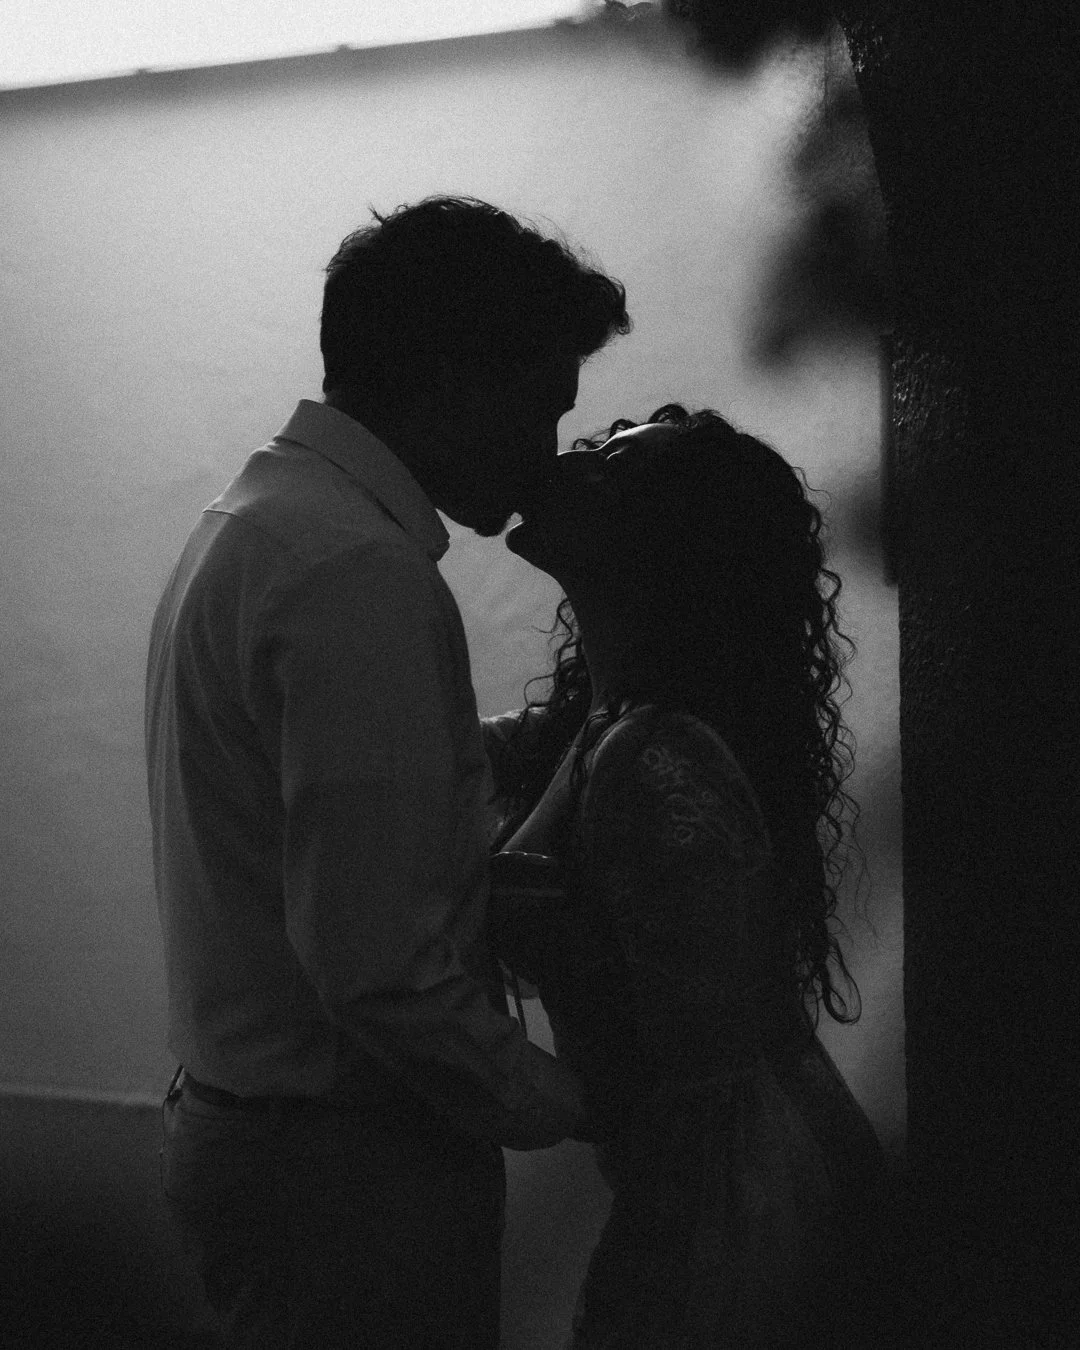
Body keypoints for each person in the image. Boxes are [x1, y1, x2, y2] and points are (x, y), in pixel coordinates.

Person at [144, 194, 630, 1349]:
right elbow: (380, 970)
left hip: (265, 1139)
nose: (547, 453)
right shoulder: (357, 575)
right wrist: (580, 1105)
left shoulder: (261, 524)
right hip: (347, 1176)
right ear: (452, 376)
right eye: (541, 407)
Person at [484, 404, 890, 1348]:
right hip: (710, 1174)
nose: (566, 462)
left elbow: (694, 1070)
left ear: (659, 549)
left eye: (604, 468)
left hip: (741, 1194)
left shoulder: (653, 753)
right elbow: (415, 751)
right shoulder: (597, 723)